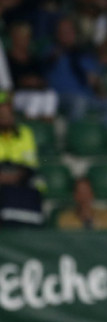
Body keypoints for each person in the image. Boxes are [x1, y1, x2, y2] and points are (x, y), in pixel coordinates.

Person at [0, 90, 44, 227]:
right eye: (2, 114)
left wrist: (15, 176)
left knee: (35, 185)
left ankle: (30, 229)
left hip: (20, 177)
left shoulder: (25, 133)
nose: (6, 118)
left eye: (8, 114)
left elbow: (30, 162)